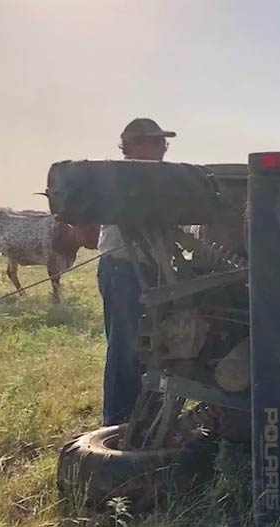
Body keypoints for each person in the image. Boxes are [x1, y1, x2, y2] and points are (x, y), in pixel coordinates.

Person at [98, 118, 176, 426]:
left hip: (152, 272)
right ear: (135, 145)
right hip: (123, 270)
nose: (163, 148)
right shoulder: (121, 179)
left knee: (153, 348)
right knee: (126, 347)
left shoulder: (158, 181)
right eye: (157, 141)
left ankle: (147, 419)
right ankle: (116, 423)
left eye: (164, 142)